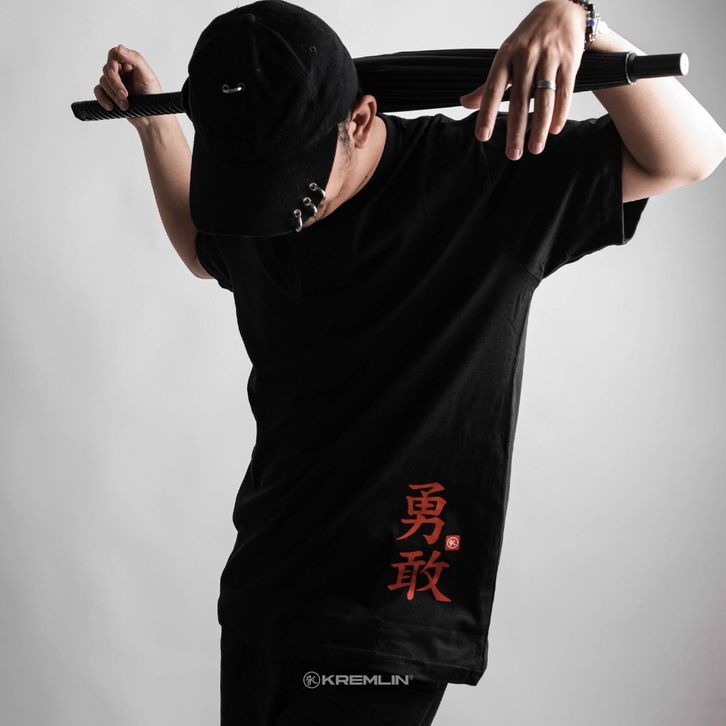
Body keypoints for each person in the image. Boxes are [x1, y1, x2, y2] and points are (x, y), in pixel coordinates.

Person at [93, 1, 726, 724]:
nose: (270, 220)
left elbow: (692, 155)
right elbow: (205, 251)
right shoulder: (255, 174)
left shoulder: (486, 179)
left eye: (290, 194)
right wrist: (153, 125)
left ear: (360, 120)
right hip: (263, 586)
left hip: (384, 616)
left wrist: (581, 24)